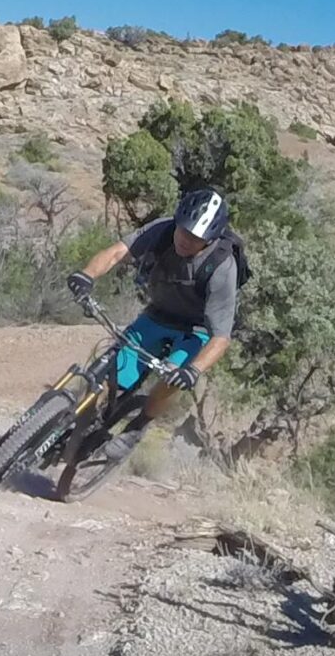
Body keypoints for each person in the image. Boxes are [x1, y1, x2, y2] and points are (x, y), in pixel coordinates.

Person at [64, 187, 243, 456]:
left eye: (196, 237)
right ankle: (71, 424)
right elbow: (116, 253)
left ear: (210, 239)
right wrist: (86, 275)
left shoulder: (221, 267)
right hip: (157, 315)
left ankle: (139, 425)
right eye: (183, 230)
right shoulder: (161, 231)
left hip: (195, 331)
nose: (185, 239)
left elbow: (221, 338)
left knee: (172, 377)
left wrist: (191, 372)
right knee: (111, 373)